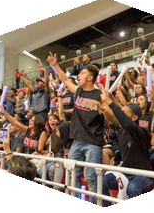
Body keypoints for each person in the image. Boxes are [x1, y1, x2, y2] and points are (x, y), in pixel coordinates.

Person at [46, 51, 114, 203]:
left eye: (82, 73)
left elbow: (111, 118)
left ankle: (104, 205)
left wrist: (102, 108)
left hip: (93, 143)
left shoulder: (99, 95)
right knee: (72, 176)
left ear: (90, 77)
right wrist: (55, 65)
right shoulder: (79, 91)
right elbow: (64, 78)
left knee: (91, 177)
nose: (79, 75)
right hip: (76, 141)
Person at [99, 84, 154, 207]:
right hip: (125, 172)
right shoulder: (120, 132)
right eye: (122, 113)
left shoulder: (142, 132)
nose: (121, 116)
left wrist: (110, 102)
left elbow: (127, 123)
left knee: (132, 188)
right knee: (102, 182)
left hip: (143, 175)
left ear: (134, 117)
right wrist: (110, 100)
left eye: (125, 114)